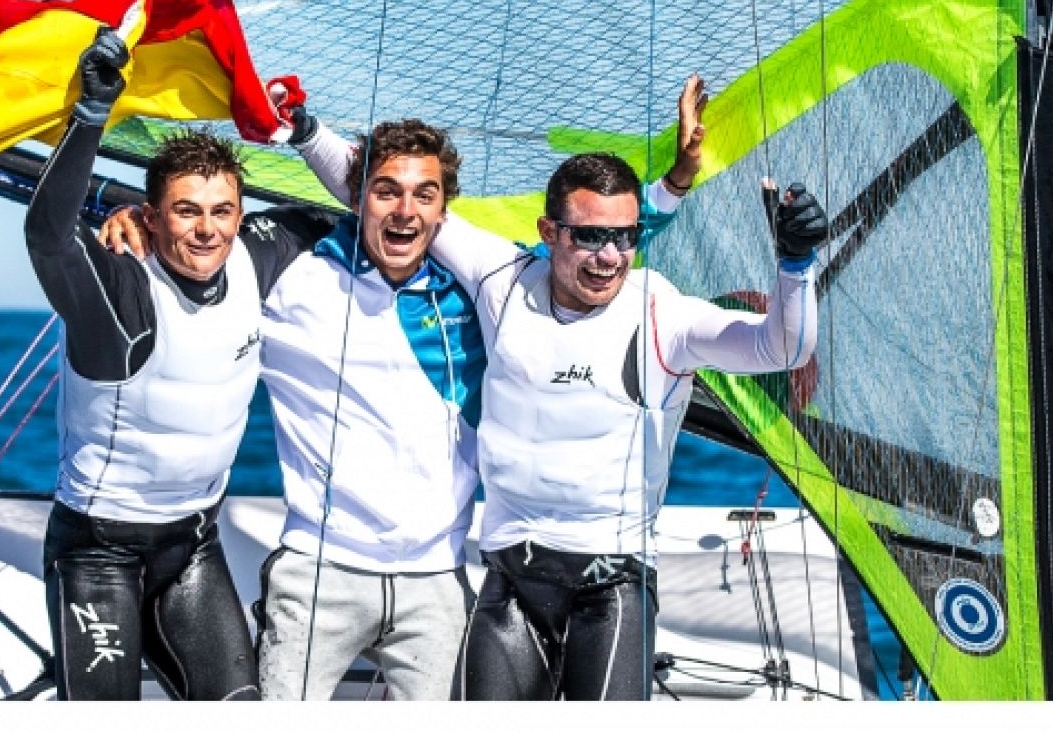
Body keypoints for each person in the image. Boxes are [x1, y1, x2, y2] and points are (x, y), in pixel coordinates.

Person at [98, 80, 706, 699]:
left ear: (445, 213)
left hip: (436, 580)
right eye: (384, 193)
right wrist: (130, 223)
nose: (405, 211)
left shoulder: (484, 284)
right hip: (317, 575)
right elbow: (198, 250)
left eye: (425, 197)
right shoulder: (293, 270)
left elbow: (596, 246)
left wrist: (679, 186)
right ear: (361, 197)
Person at [298, 117, 825, 700]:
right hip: (510, 579)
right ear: (549, 232)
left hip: (612, 586)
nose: (609, 258)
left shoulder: (663, 316)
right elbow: (388, 199)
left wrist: (795, 265)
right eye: (589, 238)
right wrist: (302, 130)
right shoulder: (503, 278)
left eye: (625, 238)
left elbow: (782, 347)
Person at [24, 28, 330, 700]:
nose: (207, 229)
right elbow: (48, 237)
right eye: (186, 212)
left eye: (223, 211)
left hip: (191, 546)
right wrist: (89, 116)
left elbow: (348, 206)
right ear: (152, 218)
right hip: (96, 553)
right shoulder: (121, 293)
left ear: (242, 213)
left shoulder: (257, 255)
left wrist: (305, 129)